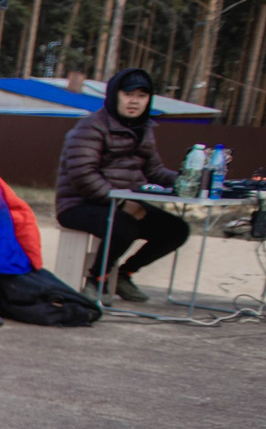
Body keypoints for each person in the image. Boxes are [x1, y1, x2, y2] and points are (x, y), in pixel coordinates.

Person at [56, 66, 187, 304]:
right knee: (124, 225)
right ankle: (95, 281)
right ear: (115, 95)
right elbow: (83, 176)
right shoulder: (90, 127)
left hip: (121, 204)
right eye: (128, 95)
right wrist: (121, 203)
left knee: (176, 229)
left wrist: (186, 181)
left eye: (141, 96)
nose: (134, 102)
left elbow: (154, 171)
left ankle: (125, 274)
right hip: (77, 204)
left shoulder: (144, 129)